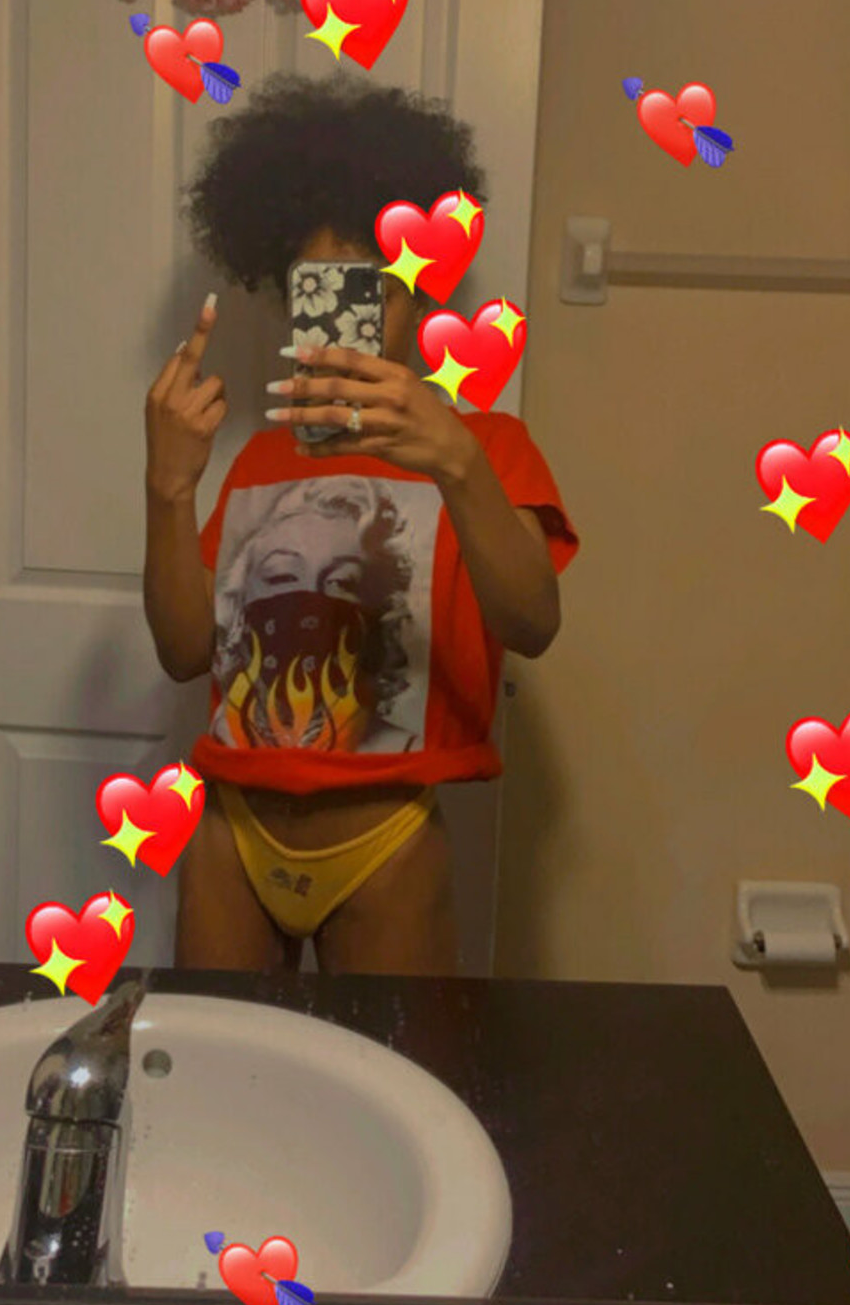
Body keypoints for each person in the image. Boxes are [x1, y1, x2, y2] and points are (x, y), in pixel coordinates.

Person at [143, 73, 579, 975]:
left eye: (373, 288)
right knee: (219, 1064)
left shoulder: (487, 446)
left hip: (386, 845)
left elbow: (535, 623)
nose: (345, 320)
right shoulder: (259, 461)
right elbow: (185, 652)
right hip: (230, 834)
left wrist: (455, 459)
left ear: (419, 293)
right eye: (320, 289)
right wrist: (168, 488)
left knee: (394, 1061)